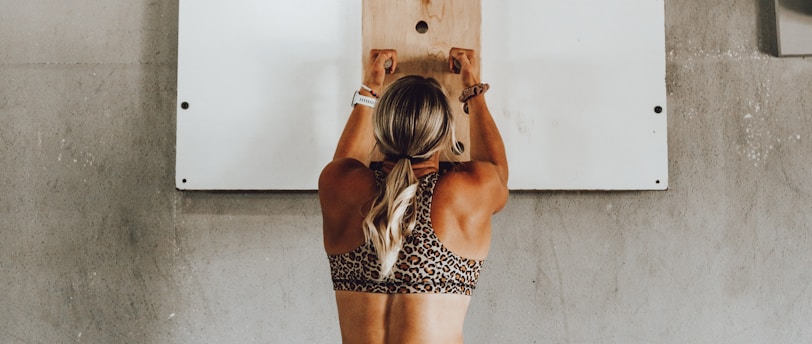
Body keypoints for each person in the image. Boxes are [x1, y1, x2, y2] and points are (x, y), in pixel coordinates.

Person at [319, 47, 508, 344]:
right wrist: (472, 88)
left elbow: (344, 163)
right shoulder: (466, 191)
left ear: (380, 130)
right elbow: (498, 172)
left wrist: (372, 87)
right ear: (445, 134)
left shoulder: (339, 185)